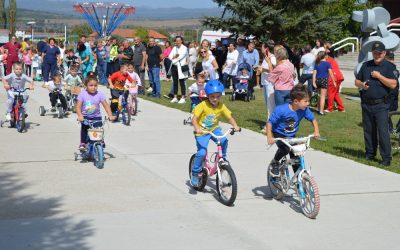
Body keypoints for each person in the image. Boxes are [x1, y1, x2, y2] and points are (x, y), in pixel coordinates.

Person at [355, 41, 398, 166]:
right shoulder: (366, 65)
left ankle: (386, 158)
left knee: (383, 131)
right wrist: (362, 85)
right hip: (367, 104)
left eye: (379, 53)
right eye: (375, 53)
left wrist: (379, 76)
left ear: (384, 53)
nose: (377, 55)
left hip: (381, 105)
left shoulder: (389, 67)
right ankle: (370, 154)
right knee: (369, 130)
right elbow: (357, 81)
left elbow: (393, 84)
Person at [190, 80, 240, 187]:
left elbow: (229, 117)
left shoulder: (221, 106)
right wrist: (197, 128)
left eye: (218, 96)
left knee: (224, 140)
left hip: (214, 129)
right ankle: (195, 173)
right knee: (202, 153)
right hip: (202, 131)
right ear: (208, 95)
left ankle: (223, 160)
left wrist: (235, 126)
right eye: (212, 96)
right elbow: (194, 118)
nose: (215, 99)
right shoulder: (203, 105)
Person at [266, 84, 320, 177]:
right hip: (279, 133)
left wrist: (316, 131)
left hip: (291, 135)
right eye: (305, 101)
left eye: (308, 101)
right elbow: (269, 123)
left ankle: (298, 177)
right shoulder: (281, 110)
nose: (308, 103)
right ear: (296, 101)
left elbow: (313, 119)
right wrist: (269, 137)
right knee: (285, 149)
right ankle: (275, 162)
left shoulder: (304, 110)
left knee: (296, 155)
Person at [76, 77, 115, 151]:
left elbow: (106, 105)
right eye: (91, 85)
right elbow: (78, 107)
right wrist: (80, 116)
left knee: (99, 129)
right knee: (84, 129)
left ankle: (100, 140)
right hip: (85, 116)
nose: (93, 87)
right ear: (85, 86)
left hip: (96, 116)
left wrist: (110, 115)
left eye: (95, 85)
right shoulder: (82, 94)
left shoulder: (100, 94)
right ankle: (83, 143)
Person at [312, 51, 336, 115]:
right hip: (324, 80)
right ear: (325, 56)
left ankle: (318, 109)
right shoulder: (327, 64)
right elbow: (331, 73)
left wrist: (314, 82)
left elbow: (314, 74)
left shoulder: (317, 63)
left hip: (318, 80)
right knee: (323, 96)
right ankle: (321, 111)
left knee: (319, 95)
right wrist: (334, 82)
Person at [260, 40, 277, 123]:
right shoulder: (266, 58)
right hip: (266, 83)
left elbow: (274, 70)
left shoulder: (272, 57)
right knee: (268, 105)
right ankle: (269, 122)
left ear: (266, 48)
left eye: (262, 47)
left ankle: (270, 124)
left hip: (270, 83)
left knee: (270, 105)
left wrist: (263, 69)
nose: (261, 49)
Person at [324, 44, 345, 112]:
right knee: (335, 93)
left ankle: (330, 108)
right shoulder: (331, 59)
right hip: (339, 76)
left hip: (333, 77)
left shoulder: (327, 61)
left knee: (330, 93)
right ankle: (341, 108)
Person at [169, 36, 189, 104]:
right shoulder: (174, 48)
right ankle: (175, 97)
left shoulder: (184, 48)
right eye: (176, 40)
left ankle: (183, 97)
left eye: (178, 40)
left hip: (181, 67)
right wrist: (174, 57)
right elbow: (169, 56)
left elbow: (180, 56)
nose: (177, 42)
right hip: (174, 67)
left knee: (182, 82)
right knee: (174, 82)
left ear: (181, 41)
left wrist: (174, 58)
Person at [385, 50, 399, 132]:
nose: (391, 60)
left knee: (391, 110)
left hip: (392, 92)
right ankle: (390, 128)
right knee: (387, 111)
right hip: (390, 92)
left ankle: (392, 128)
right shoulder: (392, 67)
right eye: (390, 58)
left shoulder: (392, 67)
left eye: (391, 58)